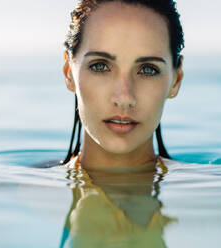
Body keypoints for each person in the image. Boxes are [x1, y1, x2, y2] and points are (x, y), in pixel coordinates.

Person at [61, 0, 184, 169]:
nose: (124, 98)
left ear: (176, 80)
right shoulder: (30, 190)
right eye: (100, 66)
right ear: (69, 73)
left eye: (148, 70)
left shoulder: (210, 190)